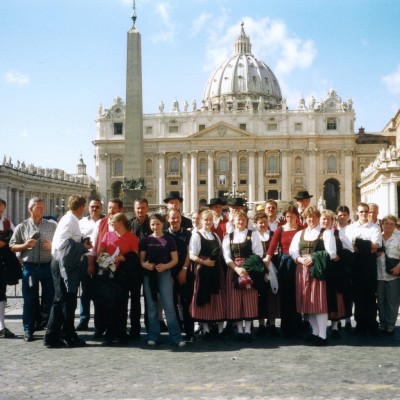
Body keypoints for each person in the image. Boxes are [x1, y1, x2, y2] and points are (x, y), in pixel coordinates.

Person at [44, 195, 92, 348]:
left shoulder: (67, 219)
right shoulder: (72, 220)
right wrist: (84, 247)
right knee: (67, 300)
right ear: (80, 207)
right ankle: (67, 335)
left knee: (62, 300)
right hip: (64, 264)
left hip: (59, 261)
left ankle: (54, 335)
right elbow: (69, 246)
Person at [10, 197, 57, 342]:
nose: (42, 210)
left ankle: (50, 328)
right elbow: (12, 246)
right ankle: (28, 330)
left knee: (50, 299)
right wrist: (25, 245)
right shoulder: (22, 226)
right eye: (39, 208)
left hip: (47, 267)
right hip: (30, 268)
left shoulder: (52, 226)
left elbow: (59, 244)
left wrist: (52, 246)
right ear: (30, 209)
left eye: (43, 208)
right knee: (30, 300)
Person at [289, 206, 337, 346]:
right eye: (308, 217)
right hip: (302, 269)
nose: (310, 219)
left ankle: (322, 335)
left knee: (319, 303)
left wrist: (314, 257)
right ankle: (314, 332)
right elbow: (293, 250)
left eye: (313, 217)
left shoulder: (326, 233)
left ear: (318, 218)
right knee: (308, 302)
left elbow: (332, 253)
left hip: (318, 271)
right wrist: (298, 259)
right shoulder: (300, 233)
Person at [139, 213, 185, 346]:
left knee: (169, 306)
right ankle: (153, 335)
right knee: (152, 306)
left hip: (164, 274)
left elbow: (175, 260)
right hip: (149, 275)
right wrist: (145, 265)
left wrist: (165, 266)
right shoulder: (145, 240)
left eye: (157, 224)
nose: (155, 227)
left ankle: (176, 336)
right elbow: (141, 260)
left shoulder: (169, 240)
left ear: (162, 224)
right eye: (152, 224)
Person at [97, 213, 139, 345]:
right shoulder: (108, 235)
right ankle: (110, 332)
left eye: (113, 222)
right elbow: (100, 252)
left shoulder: (132, 237)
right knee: (109, 304)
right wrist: (107, 259)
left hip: (123, 274)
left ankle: (121, 332)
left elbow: (135, 257)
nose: (111, 224)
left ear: (120, 222)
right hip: (108, 272)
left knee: (122, 304)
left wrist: (123, 258)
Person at [222, 210, 264, 343]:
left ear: (247, 222)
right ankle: (240, 330)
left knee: (249, 300)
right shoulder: (228, 237)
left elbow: (259, 253)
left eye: (243, 220)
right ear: (233, 222)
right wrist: (236, 269)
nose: (240, 222)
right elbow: (226, 256)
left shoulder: (253, 235)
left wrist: (245, 268)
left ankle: (248, 331)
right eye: (238, 220)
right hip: (234, 270)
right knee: (236, 301)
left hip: (249, 270)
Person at [89, 198, 124, 339]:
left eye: (114, 208)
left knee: (118, 299)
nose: (111, 211)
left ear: (120, 210)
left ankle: (115, 328)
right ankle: (100, 327)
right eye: (109, 208)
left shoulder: (124, 224)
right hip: (102, 267)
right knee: (100, 299)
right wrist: (91, 264)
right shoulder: (100, 223)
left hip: (119, 267)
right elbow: (93, 246)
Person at [189, 210, 226, 340]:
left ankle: (220, 329)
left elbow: (221, 253)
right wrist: (204, 262)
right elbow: (192, 255)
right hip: (203, 270)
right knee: (203, 297)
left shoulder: (215, 236)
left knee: (218, 298)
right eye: (206, 220)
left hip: (216, 270)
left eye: (210, 219)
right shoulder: (197, 235)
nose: (208, 222)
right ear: (201, 220)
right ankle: (205, 329)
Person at [265, 205, 302, 338]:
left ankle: (298, 325)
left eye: (292, 216)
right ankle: (286, 327)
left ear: (297, 217)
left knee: (297, 295)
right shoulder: (280, 230)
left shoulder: (301, 229)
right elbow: (272, 247)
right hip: (285, 264)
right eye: (287, 216)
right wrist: (266, 263)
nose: (289, 218)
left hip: (299, 263)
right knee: (286, 295)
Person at [346, 202, 382, 335]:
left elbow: (375, 246)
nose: (364, 214)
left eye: (366, 211)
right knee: (358, 295)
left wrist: (358, 243)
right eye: (361, 211)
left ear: (369, 213)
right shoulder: (350, 228)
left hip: (370, 265)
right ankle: (360, 324)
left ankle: (372, 324)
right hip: (356, 264)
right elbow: (350, 247)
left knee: (371, 295)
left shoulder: (375, 227)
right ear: (356, 212)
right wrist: (366, 245)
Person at [165, 209, 194, 341]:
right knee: (172, 305)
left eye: (177, 218)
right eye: (172, 218)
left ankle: (189, 332)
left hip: (184, 271)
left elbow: (189, 253)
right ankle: (176, 332)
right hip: (169, 273)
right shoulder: (164, 235)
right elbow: (164, 256)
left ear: (181, 219)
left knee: (186, 302)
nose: (175, 220)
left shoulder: (188, 234)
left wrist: (184, 269)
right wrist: (168, 275)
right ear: (168, 219)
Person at [76, 198, 104, 331]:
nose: (94, 209)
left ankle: (101, 320)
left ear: (101, 208)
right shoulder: (80, 222)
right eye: (92, 207)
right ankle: (84, 319)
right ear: (88, 208)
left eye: (97, 207)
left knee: (101, 290)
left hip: (101, 259)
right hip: (85, 258)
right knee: (85, 290)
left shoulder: (105, 222)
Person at [319, 210, 347, 339]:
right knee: (322, 297)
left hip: (335, 270)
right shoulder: (316, 233)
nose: (325, 221)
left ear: (332, 221)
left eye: (328, 219)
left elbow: (349, 249)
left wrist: (339, 256)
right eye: (323, 219)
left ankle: (335, 326)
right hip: (321, 270)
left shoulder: (338, 233)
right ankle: (321, 326)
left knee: (335, 296)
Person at [128, 197, 152, 339]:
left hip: (150, 266)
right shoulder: (130, 225)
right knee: (135, 299)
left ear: (147, 208)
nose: (140, 210)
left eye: (143, 208)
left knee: (150, 298)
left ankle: (150, 327)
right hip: (134, 268)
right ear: (134, 209)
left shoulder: (153, 224)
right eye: (138, 208)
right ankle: (135, 328)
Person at [253, 212, 279, 335]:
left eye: (265, 222)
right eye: (260, 222)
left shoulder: (273, 234)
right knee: (260, 295)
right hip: (258, 268)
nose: (263, 224)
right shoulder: (253, 235)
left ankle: (272, 322)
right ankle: (261, 323)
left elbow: (276, 250)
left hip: (271, 267)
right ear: (256, 223)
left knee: (272, 294)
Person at [377, 215, 400, 335]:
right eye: (386, 223)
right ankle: (382, 323)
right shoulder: (377, 237)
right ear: (382, 224)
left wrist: (398, 267)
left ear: (395, 225)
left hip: (393, 275)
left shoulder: (399, 238)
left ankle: (390, 325)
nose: (389, 226)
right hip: (379, 275)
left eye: (392, 224)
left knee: (392, 301)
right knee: (380, 301)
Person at [335, 205, 354, 331]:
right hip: (335, 265)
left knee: (348, 293)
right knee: (337, 293)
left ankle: (347, 318)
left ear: (349, 216)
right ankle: (337, 317)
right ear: (337, 216)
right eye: (340, 215)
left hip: (349, 265)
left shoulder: (352, 229)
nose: (342, 217)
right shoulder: (332, 229)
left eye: (345, 215)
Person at [0, 199, 17, 338]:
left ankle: (1, 326)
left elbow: (14, 239)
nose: (0, 214)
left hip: (3, 263)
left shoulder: (7, 223)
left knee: (1, 293)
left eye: (1, 211)